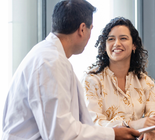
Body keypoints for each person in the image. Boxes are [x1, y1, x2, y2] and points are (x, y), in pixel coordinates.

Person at [2, 1, 140, 140]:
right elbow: (61, 134)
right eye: (90, 29)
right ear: (82, 29)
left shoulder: (50, 57)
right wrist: (113, 134)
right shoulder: (50, 62)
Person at [82, 17, 155, 140]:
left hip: (137, 137)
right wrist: (130, 125)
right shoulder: (92, 79)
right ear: (105, 47)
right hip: (110, 137)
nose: (116, 43)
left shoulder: (144, 80)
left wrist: (151, 128)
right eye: (111, 39)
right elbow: (93, 123)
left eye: (123, 38)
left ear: (134, 45)